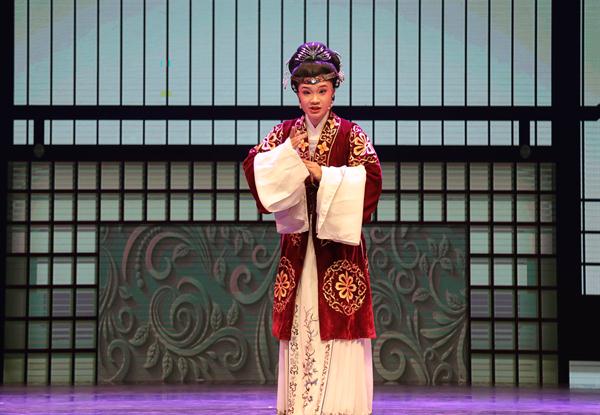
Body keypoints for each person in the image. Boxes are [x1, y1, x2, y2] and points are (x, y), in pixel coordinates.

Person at [243, 41, 382, 415]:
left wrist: (324, 174)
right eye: (307, 92)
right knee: (302, 326)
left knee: (339, 331)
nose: (315, 100)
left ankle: (341, 407)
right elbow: (254, 167)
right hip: (298, 251)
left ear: (335, 90)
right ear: (296, 93)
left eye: (322, 90)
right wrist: (286, 155)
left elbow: (372, 180)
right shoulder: (285, 133)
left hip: (339, 256)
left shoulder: (351, 134)